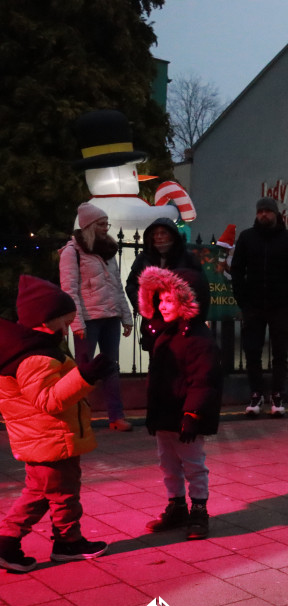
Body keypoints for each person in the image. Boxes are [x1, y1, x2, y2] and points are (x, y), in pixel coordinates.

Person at [0, 275, 114, 572]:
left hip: (46, 439)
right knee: (63, 495)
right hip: (50, 440)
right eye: (65, 322)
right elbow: (50, 400)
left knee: (38, 494)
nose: (68, 330)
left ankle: (8, 542)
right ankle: (67, 542)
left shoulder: (34, 350)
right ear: (45, 321)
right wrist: (85, 377)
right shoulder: (35, 358)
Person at [137, 267, 223, 541]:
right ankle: (176, 505)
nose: (162, 306)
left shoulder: (198, 339)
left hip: (186, 415)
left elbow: (203, 380)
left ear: (187, 302)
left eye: (169, 301)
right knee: (168, 463)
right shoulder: (165, 333)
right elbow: (158, 377)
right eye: (159, 300)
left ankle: (199, 508)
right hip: (165, 411)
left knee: (193, 463)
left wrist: (192, 413)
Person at [59, 203, 134, 431]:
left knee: (111, 366)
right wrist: (76, 322)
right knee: (84, 370)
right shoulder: (72, 252)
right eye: (101, 224)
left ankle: (116, 416)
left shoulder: (107, 250)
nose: (105, 228)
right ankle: (78, 416)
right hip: (89, 320)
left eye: (106, 223)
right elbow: (69, 289)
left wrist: (125, 316)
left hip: (110, 316)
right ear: (89, 226)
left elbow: (117, 286)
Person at [231, 196, 288, 418]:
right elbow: (237, 270)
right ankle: (256, 393)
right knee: (252, 350)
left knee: (280, 352)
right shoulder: (246, 238)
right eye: (260, 211)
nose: (263, 214)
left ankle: (277, 394)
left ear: (276, 213)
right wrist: (242, 298)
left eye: (268, 211)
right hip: (253, 304)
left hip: (280, 305)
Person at [125, 217, 208, 350]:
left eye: (163, 233)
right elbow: (131, 285)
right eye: (155, 234)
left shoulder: (187, 258)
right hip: (153, 320)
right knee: (156, 360)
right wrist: (142, 304)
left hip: (180, 321)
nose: (158, 237)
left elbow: (199, 286)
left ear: (173, 236)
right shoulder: (144, 259)